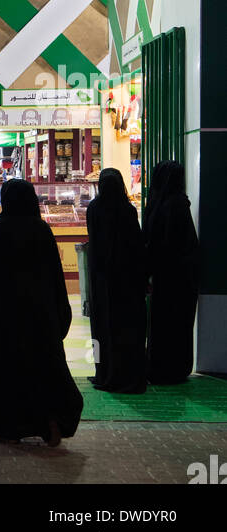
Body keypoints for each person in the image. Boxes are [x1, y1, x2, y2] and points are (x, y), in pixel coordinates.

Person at [0, 178, 83, 445]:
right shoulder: (41, 229)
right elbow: (56, 276)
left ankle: (9, 428)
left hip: (0, 316)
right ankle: (48, 421)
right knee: (40, 368)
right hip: (38, 315)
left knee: (4, 371)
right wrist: (61, 313)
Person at [85, 168, 147, 393]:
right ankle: (128, 374)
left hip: (101, 280)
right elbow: (136, 246)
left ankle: (103, 373)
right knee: (127, 329)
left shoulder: (94, 209)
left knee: (101, 328)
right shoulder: (128, 211)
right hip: (127, 282)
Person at [143, 160, 199, 383]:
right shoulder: (178, 204)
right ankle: (176, 367)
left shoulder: (156, 204)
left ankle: (158, 365)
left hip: (161, 276)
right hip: (181, 277)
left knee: (161, 323)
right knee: (179, 324)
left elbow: (151, 241)